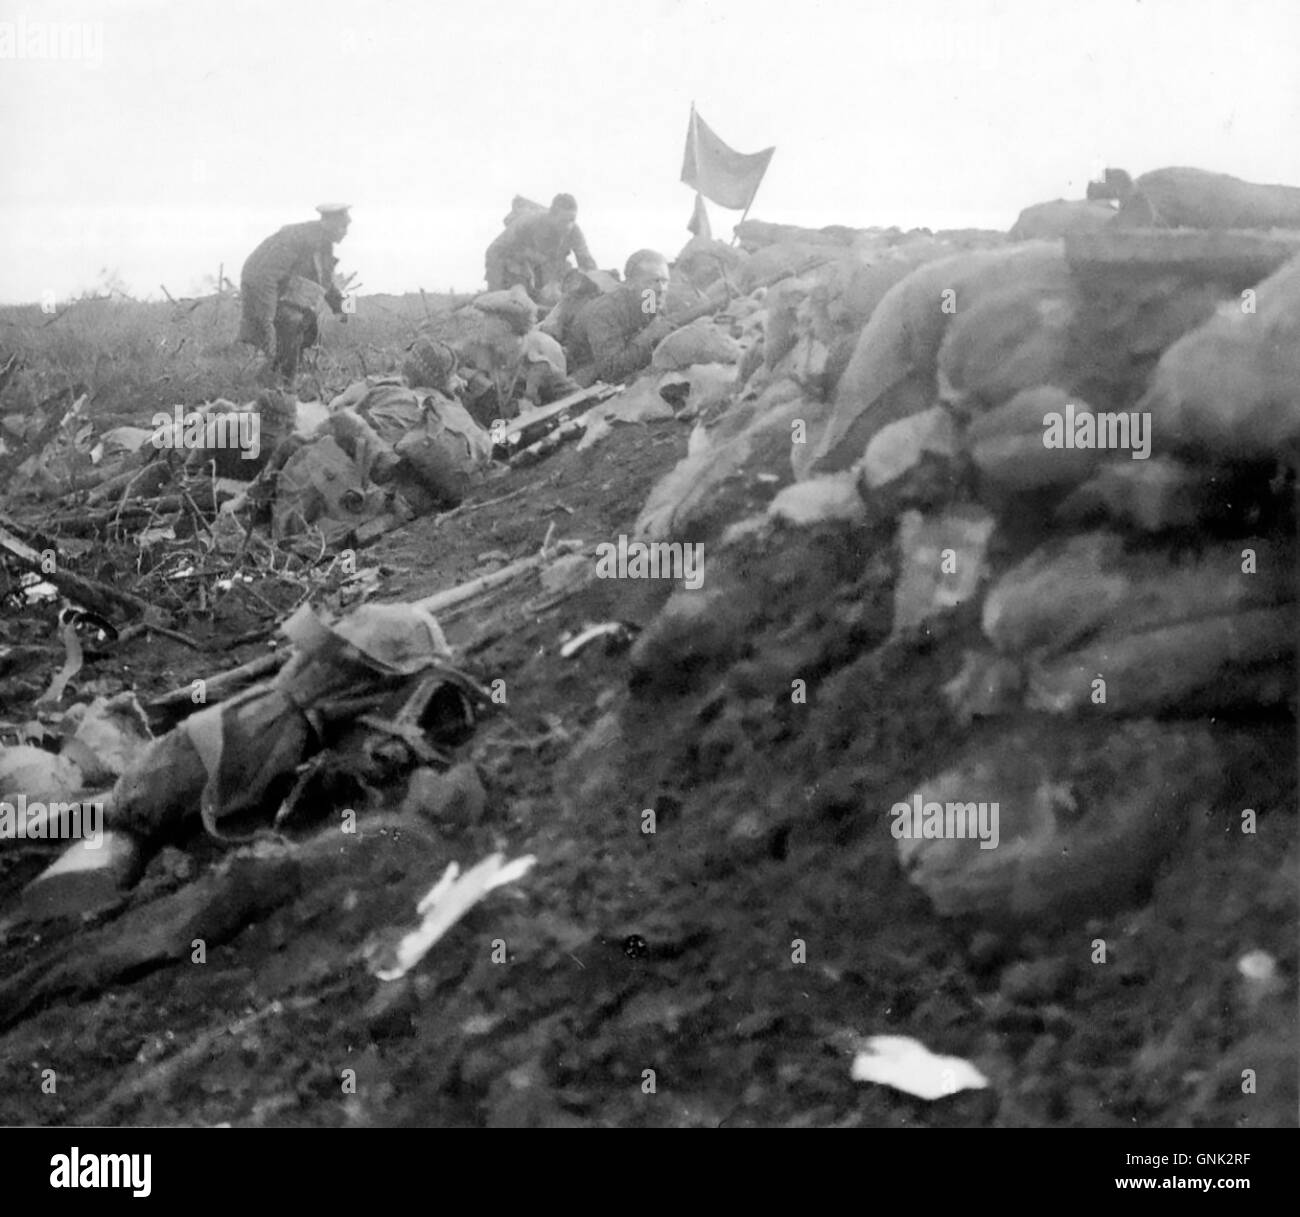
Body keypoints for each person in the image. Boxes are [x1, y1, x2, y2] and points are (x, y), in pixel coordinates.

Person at [239, 204, 350, 383]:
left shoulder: (324, 244)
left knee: (309, 328)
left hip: (284, 292)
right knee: (289, 323)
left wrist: (346, 310)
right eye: (342, 226)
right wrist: (267, 318)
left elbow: (328, 284)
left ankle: (281, 372)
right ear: (327, 223)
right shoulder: (296, 237)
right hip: (260, 286)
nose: (345, 232)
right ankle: (282, 382)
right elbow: (266, 275)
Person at [563, 249, 672, 385]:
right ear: (630, 283)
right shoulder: (605, 312)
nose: (661, 289)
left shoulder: (649, 302)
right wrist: (650, 335)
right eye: (652, 282)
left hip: (620, 378)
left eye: (665, 281)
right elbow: (611, 370)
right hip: (585, 384)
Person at [484, 193, 597, 303]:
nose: (569, 226)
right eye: (563, 221)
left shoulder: (574, 232)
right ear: (552, 215)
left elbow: (587, 262)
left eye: (572, 220)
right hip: (519, 271)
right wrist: (495, 292)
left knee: (573, 285)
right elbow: (494, 250)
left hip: (549, 276)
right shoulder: (528, 222)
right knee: (518, 296)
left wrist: (600, 289)